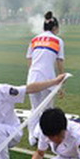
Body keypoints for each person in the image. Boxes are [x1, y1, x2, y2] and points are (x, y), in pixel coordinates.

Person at [26, 11, 65, 145]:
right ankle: (43, 138)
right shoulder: (58, 41)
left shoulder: (34, 39)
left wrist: (32, 74)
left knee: (34, 108)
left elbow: (29, 59)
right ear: (55, 28)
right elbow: (60, 62)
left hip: (33, 77)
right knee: (47, 110)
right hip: (48, 78)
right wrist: (61, 82)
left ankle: (32, 137)